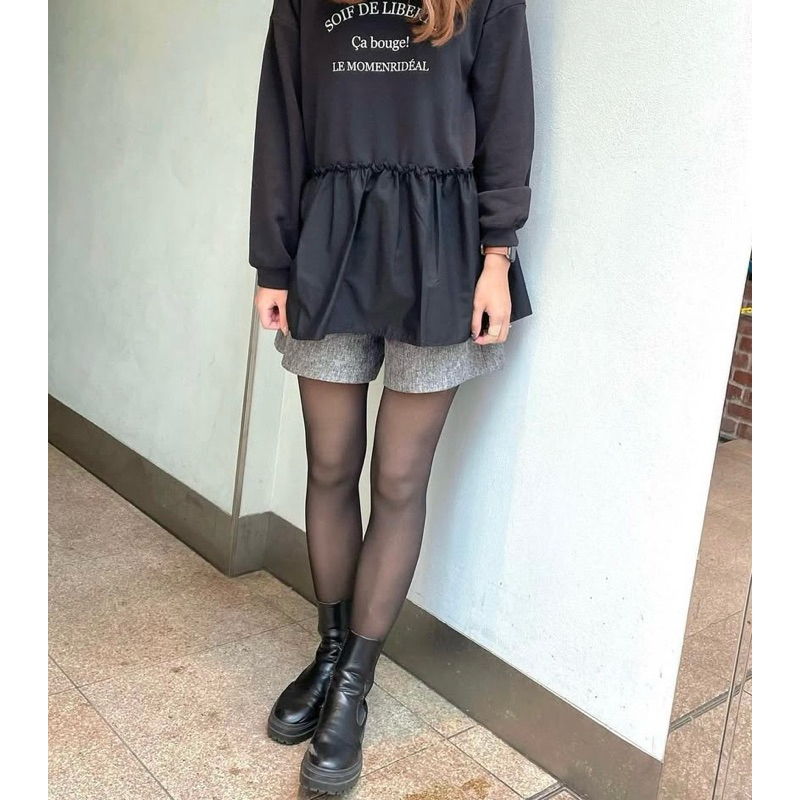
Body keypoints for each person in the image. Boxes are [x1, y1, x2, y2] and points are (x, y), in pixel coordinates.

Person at [249, 0, 534, 793]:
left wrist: (498, 258)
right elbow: (281, 119)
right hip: (328, 240)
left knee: (400, 479)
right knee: (330, 462)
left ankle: (353, 684)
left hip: (444, 250)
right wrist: (273, 261)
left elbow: (506, 115)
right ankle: (329, 649)